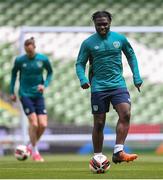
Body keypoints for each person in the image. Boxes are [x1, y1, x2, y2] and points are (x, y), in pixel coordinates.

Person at [76, 11, 143, 164]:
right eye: (99, 24)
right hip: (98, 86)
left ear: (110, 22)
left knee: (125, 113)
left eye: (105, 24)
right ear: (94, 24)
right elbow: (80, 63)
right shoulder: (88, 43)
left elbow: (131, 56)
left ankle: (118, 151)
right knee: (99, 123)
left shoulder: (119, 39)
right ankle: (98, 156)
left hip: (118, 84)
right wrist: (83, 79)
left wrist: (136, 76)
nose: (102, 27)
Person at [10, 37, 53, 162]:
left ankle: (29, 146)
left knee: (43, 124)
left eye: (30, 51)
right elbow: (13, 75)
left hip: (38, 95)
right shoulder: (19, 60)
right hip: (25, 94)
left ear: (34, 48)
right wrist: (12, 91)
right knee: (34, 123)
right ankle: (35, 152)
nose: (29, 53)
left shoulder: (43, 59)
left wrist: (44, 85)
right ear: (25, 49)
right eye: (26, 51)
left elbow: (50, 72)